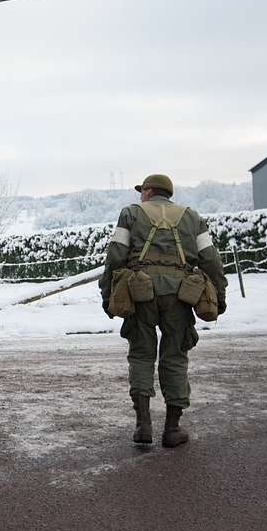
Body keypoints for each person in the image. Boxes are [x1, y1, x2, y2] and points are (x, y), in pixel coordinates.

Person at [99, 174, 227, 447]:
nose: (140, 196)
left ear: (148, 191)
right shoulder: (193, 217)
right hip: (181, 296)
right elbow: (212, 261)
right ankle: (172, 429)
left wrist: (107, 293)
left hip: (140, 293)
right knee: (175, 357)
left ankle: (143, 425)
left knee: (142, 355)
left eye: (141, 191)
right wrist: (220, 294)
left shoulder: (130, 214)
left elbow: (115, 256)